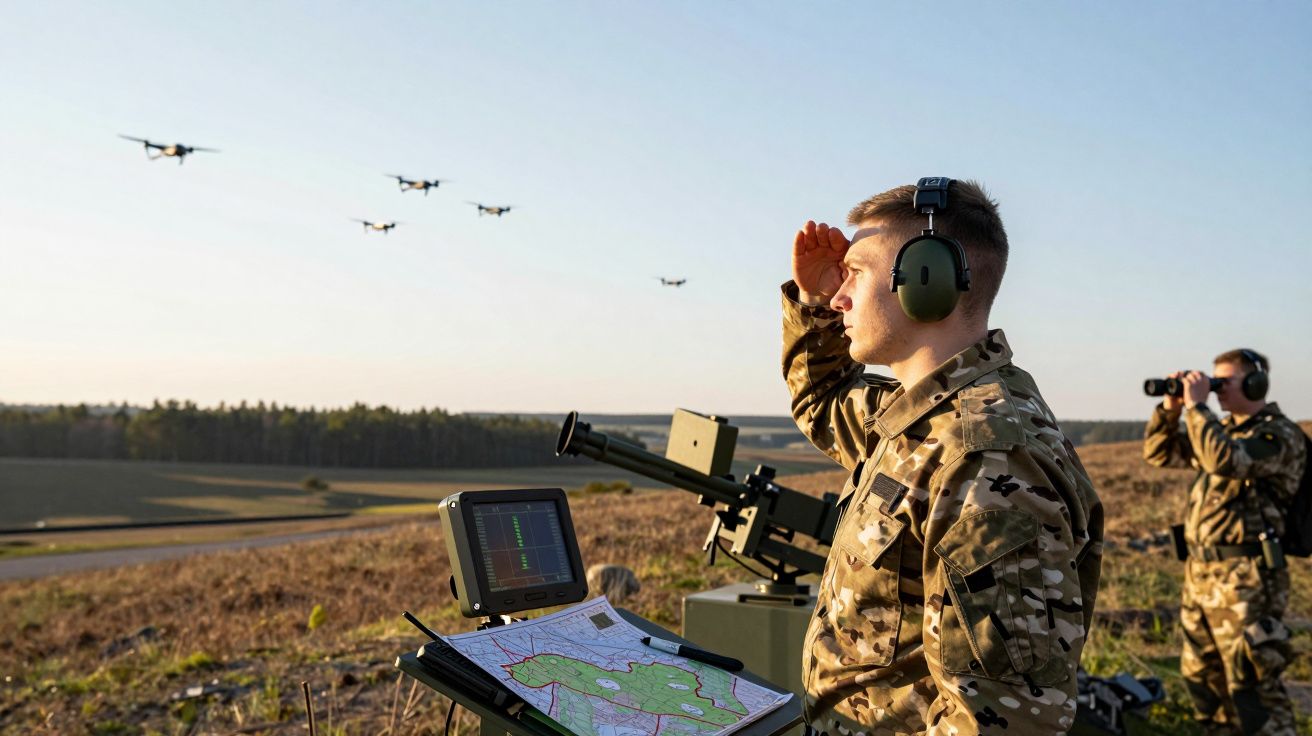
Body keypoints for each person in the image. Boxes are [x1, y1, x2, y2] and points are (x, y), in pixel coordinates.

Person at [783, 179, 1103, 734]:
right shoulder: (923, 420)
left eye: (855, 273)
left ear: (926, 279)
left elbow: (1002, 722)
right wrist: (812, 305)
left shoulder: (988, 458)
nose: (840, 298)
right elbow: (823, 401)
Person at [1144, 350, 1307, 735]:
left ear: (1256, 384)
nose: (1217, 390)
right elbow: (1159, 453)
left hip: (1248, 581)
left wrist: (1198, 408)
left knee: (1252, 688)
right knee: (1205, 686)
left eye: (1225, 381)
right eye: (1213, 381)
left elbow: (1228, 461)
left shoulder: (1277, 435)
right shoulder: (1221, 432)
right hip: (1201, 577)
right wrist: (1171, 409)